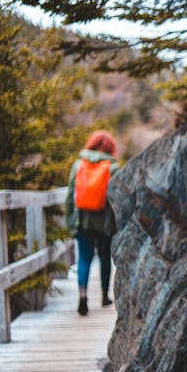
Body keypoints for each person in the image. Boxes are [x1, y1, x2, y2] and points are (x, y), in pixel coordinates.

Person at [65, 130, 119, 316]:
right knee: (105, 258)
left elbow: (70, 197)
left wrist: (70, 222)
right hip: (105, 222)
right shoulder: (112, 167)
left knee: (84, 258)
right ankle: (104, 295)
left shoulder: (78, 165)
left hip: (83, 221)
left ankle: (82, 295)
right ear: (110, 148)